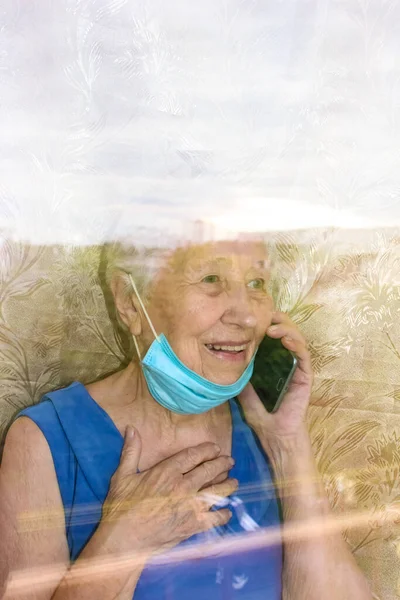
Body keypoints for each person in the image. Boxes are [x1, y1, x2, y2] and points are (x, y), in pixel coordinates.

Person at [0, 239, 371, 600]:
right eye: (211, 280)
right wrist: (123, 543)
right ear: (130, 303)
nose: (245, 316)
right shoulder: (46, 440)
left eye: (257, 283)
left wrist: (288, 444)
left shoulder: (264, 427)